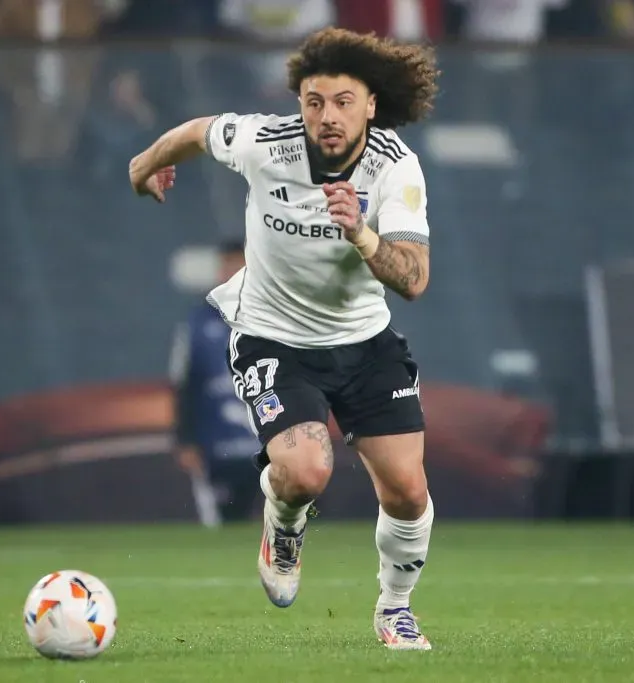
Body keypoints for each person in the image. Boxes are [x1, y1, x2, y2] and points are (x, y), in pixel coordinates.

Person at [129, 27, 439, 650]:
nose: (327, 116)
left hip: (364, 343)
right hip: (273, 338)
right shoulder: (265, 142)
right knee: (304, 471)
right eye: (314, 101)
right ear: (299, 102)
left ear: (371, 105)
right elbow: (197, 131)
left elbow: (414, 278)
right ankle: (285, 523)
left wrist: (362, 234)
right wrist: (146, 163)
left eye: (343, 102)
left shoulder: (396, 168)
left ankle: (395, 608)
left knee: (407, 491)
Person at [169, 240, 264, 526]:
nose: (234, 272)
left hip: (270, 443)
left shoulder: (277, 319)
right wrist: (185, 439)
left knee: (292, 520)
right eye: (228, 265)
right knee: (227, 526)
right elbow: (185, 384)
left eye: (241, 265)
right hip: (219, 447)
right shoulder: (197, 323)